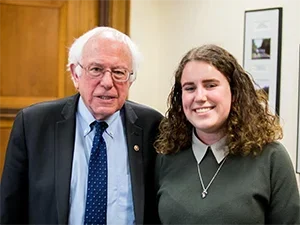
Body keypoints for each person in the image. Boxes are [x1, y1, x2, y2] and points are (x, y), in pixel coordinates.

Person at [0, 26, 162, 225]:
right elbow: (10, 209)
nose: (107, 82)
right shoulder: (33, 124)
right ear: (75, 74)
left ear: (130, 80)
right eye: (96, 69)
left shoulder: (152, 126)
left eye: (119, 72)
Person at [154, 44, 300, 225]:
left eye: (211, 85)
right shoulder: (166, 155)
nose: (199, 96)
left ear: (235, 92)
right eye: (190, 88)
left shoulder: (271, 158)